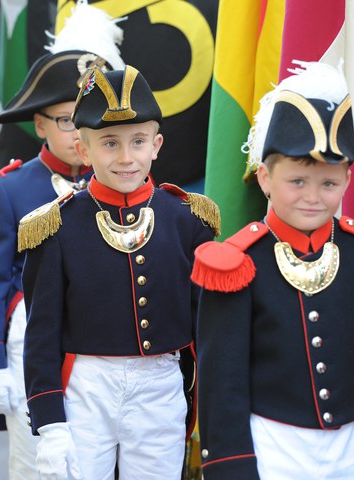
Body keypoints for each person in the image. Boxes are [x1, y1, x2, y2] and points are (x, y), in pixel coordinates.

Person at [19, 63, 220, 480]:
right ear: (83, 150)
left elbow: (210, 325)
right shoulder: (54, 227)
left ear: (157, 144)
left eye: (138, 141)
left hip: (161, 384)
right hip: (86, 385)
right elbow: (40, 333)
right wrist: (50, 422)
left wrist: (217, 404)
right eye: (109, 143)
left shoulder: (189, 220)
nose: (126, 157)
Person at [0, 2, 125, 478]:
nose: (79, 132)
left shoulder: (124, 188)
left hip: (101, 351)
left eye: (89, 118)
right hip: (28, 344)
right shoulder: (10, 189)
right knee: (35, 464)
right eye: (65, 120)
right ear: (38, 125)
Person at [192, 60, 354, 480]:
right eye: (297, 181)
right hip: (274, 448)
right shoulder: (237, 262)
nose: (313, 197)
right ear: (264, 177)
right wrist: (229, 466)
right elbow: (221, 380)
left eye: (329, 183)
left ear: (347, 180)